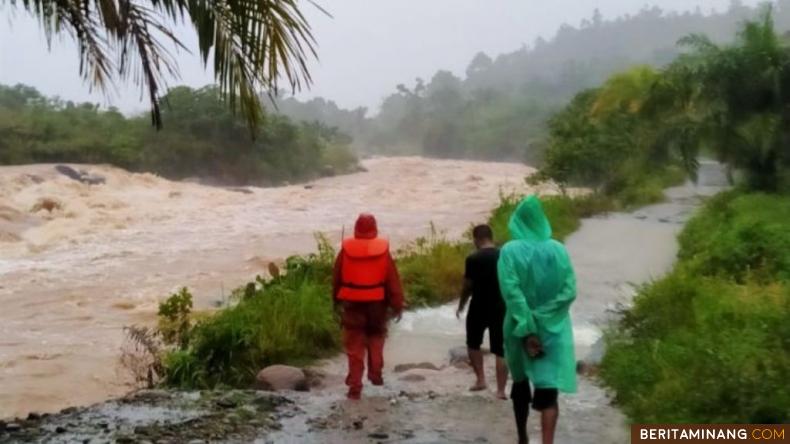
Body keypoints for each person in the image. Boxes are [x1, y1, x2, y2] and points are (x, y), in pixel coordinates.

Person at [497, 196, 577, 444]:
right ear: (542, 220)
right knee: (549, 389)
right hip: (553, 329)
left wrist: (528, 323)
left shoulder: (509, 251)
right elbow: (569, 291)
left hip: (519, 328)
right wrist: (544, 316)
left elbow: (511, 291)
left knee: (520, 383)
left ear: (518, 222)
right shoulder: (558, 250)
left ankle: (522, 437)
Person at [333, 213, 404, 400]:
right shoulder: (383, 252)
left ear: (356, 228)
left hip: (352, 304)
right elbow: (392, 281)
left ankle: (355, 386)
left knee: (354, 345)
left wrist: (335, 300)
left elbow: (337, 278)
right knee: (376, 337)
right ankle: (375, 372)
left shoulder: (345, 251)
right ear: (375, 229)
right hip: (377, 305)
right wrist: (397, 304)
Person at [456, 224, 508, 400]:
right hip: (500, 306)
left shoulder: (473, 259)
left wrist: (461, 304)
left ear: (476, 239)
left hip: (478, 305)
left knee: (473, 343)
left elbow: (467, 286)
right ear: (491, 238)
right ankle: (501, 391)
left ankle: (481, 380)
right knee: (500, 350)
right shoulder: (504, 255)